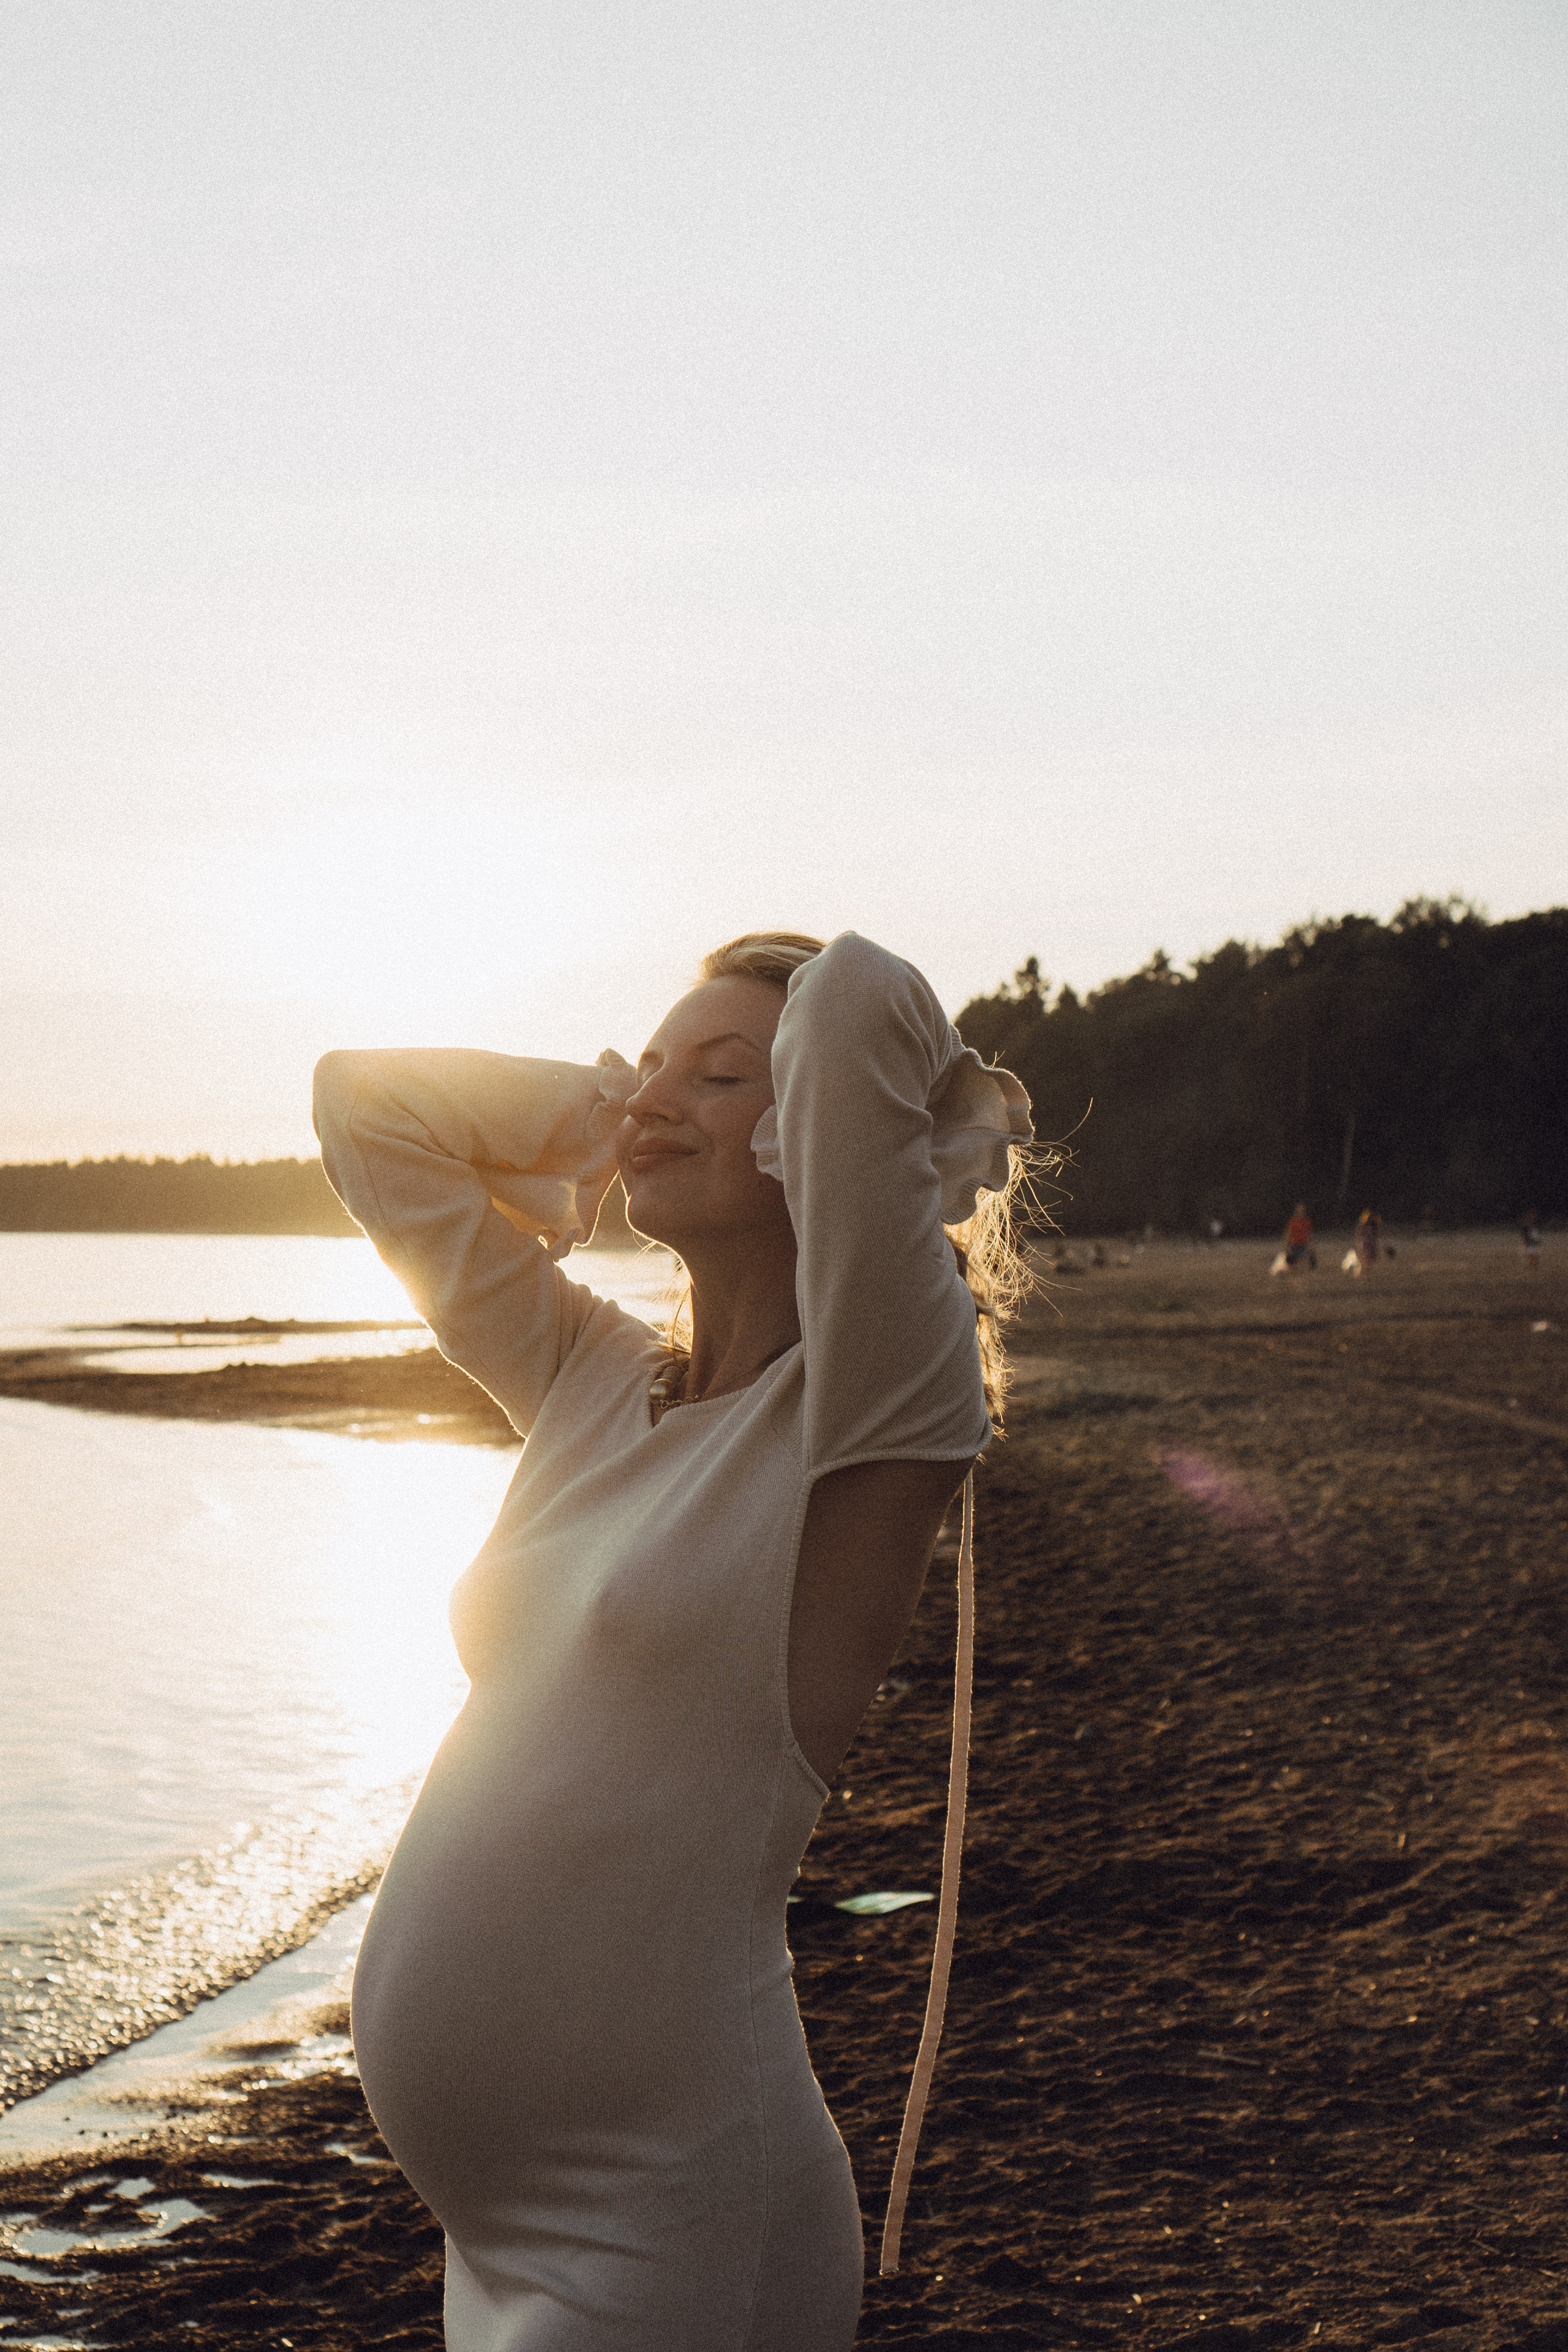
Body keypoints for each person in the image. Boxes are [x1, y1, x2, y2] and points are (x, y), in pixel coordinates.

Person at [312, 930, 1033, 2352]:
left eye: (723, 1074)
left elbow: (851, 1004)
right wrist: (633, 1109)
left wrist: (752, 1102)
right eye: (643, 1062)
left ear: (816, 1132)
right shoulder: (585, 1369)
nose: (652, 1096)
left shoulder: (877, 1399)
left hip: (671, 2205)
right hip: (494, 2232)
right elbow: (361, 1109)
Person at [1282, 1202, 1314, 1277]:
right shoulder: (1292, 1221)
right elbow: (1288, 1233)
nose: (1301, 1213)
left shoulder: (1307, 1222)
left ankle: (1299, 1277)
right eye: (1299, 1211)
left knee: (1303, 1261)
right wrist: (1286, 1244)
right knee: (1291, 1261)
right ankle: (1294, 1276)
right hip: (1294, 1244)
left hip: (1304, 1244)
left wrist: (1311, 1245)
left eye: (1302, 1211)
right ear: (1296, 1212)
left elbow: (1310, 1234)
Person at [1354, 1207, 1382, 1277]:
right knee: (1366, 1259)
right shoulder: (1365, 1224)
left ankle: (1365, 1273)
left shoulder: (1373, 1224)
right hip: (1367, 1242)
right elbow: (1359, 1232)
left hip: (1369, 1242)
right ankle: (1365, 1273)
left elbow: (1376, 1234)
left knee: (1367, 1259)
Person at [1521, 1209, 1543, 1274]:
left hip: (1536, 1244)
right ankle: (1527, 1272)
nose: (1534, 1217)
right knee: (1530, 1259)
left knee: (1536, 1260)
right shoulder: (1526, 1226)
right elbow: (1524, 1236)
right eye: (1532, 1215)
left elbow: (1536, 1235)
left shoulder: (1535, 1225)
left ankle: (1534, 1272)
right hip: (1530, 1244)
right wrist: (1524, 1244)